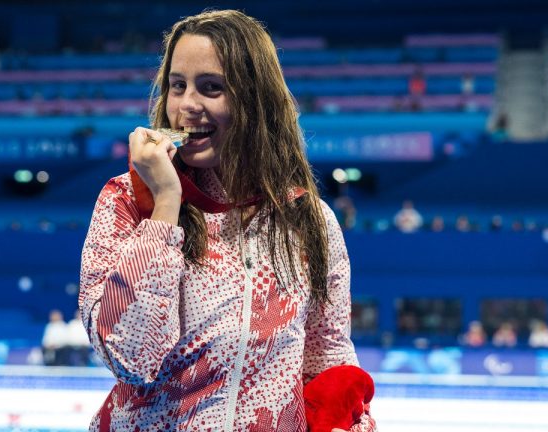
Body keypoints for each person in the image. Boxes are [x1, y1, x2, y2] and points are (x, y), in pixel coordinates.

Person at [79, 10, 375, 432]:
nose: (186, 106)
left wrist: (351, 424)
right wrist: (165, 203)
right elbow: (129, 357)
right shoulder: (127, 200)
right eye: (177, 86)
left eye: (211, 88)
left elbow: (326, 355)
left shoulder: (307, 219)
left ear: (256, 102)